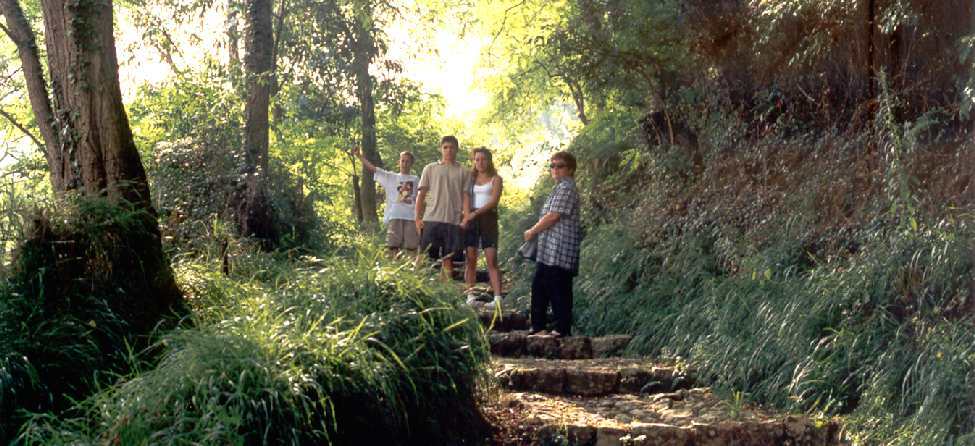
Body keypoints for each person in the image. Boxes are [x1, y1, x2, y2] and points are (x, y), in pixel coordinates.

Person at [523, 151, 582, 337]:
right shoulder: (559, 187)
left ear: (570, 169)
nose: (555, 169)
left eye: (560, 166)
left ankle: (561, 330)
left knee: (558, 288)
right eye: (552, 166)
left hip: (560, 249)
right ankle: (539, 327)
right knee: (540, 286)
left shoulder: (566, 188)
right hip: (550, 250)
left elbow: (553, 216)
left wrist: (532, 231)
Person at [416, 136, 471, 279]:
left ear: (457, 149)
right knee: (424, 256)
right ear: (441, 149)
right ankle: (420, 284)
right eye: (445, 147)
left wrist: (466, 217)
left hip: (452, 220)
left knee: (448, 258)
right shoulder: (430, 168)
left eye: (451, 147)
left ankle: (445, 287)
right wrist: (417, 218)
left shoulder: (463, 171)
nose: (448, 150)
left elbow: (465, 196)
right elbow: (422, 194)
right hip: (431, 218)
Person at [353, 146, 419, 256]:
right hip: (395, 216)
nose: (404, 163)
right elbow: (373, 169)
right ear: (398, 162)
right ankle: (393, 265)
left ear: (411, 163)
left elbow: (420, 198)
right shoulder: (391, 177)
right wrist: (359, 156)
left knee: (412, 247)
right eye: (403, 161)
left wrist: (420, 217)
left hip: (411, 217)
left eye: (407, 161)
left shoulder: (415, 179)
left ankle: (411, 266)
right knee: (392, 247)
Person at [461, 147, 503, 307]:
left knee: (491, 258)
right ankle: (470, 296)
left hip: (488, 218)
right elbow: (465, 197)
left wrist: (475, 213)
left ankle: (497, 298)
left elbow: (493, 201)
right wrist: (467, 216)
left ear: (489, 161)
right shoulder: (470, 178)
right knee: (470, 258)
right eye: (477, 159)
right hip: (471, 218)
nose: (480, 162)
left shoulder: (496, 179)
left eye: (483, 159)